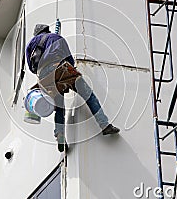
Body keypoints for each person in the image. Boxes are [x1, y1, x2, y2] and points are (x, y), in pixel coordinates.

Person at [26, 24, 120, 152]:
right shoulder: (55, 37)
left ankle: (60, 137)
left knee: (59, 106)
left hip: (44, 76)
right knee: (88, 95)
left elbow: (31, 67)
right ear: (47, 30)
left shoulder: (31, 45)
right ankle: (104, 125)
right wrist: (68, 74)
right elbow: (69, 60)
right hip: (59, 68)